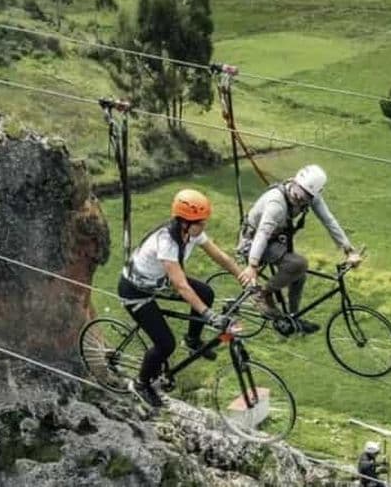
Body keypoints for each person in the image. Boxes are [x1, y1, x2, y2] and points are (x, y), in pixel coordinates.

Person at [119, 188, 249, 407]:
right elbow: (181, 285)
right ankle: (141, 384)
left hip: (159, 283)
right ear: (185, 222)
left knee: (206, 292)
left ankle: (192, 341)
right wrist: (209, 315)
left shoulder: (191, 233)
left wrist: (242, 276)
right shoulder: (167, 242)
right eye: (201, 223)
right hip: (136, 292)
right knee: (165, 344)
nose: (204, 226)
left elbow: (219, 256)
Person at [237, 164, 362, 334]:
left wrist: (349, 250)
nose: (300, 199)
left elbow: (329, 220)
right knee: (299, 263)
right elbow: (262, 234)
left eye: (306, 198)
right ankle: (262, 294)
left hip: (274, 239)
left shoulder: (311, 197)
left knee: (299, 275)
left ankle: (292, 318)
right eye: (299, 194)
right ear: (294, 182)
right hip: (253, 243)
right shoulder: (276, 203)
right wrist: (252, 266)